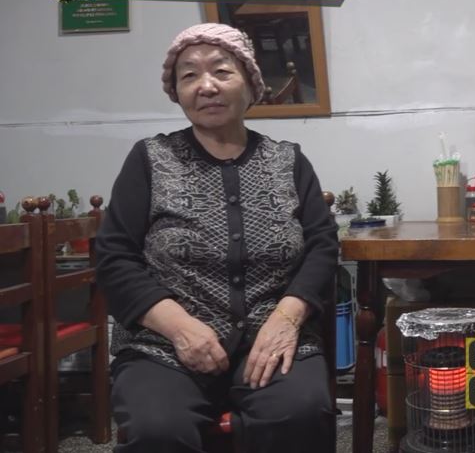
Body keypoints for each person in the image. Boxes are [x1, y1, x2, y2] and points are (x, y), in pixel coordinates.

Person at [96, 23, 338, 453]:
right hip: (165, 345)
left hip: (270, 339)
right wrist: (180, 327)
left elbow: (322, 245)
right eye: (189, 75)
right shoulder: (150, 158)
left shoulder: (288, 161)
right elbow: (114, 256)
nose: (206, 86)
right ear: (177, 92)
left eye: (222, 72)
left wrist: (286, 318)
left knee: (300, 412)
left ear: (250, 84)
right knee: (158, 429)